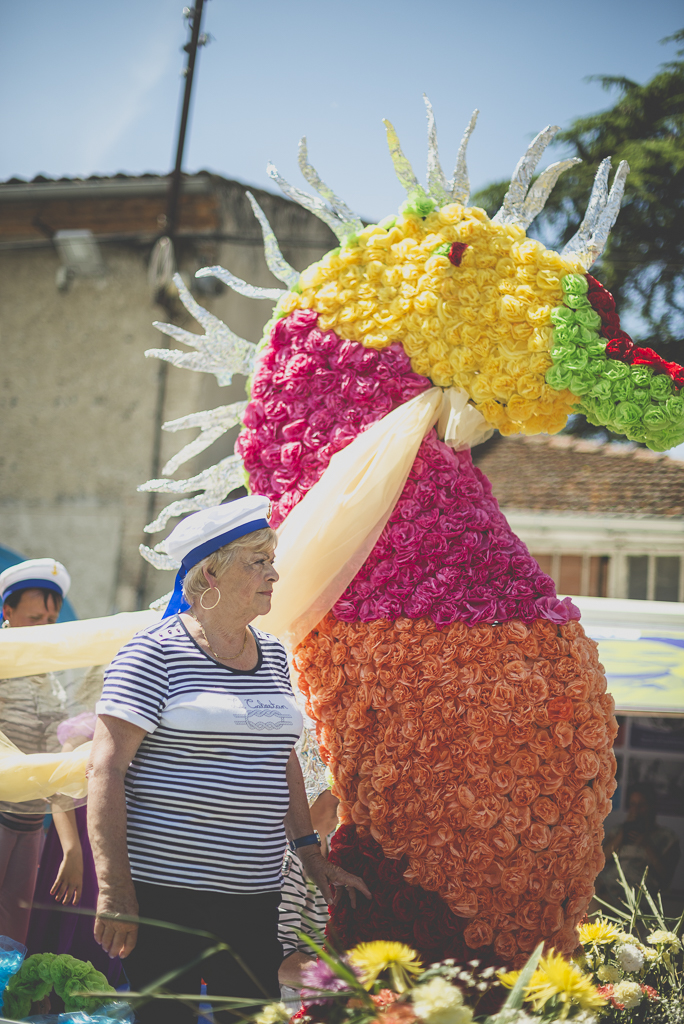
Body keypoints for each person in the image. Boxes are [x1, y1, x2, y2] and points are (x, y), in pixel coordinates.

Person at [87, 496, 370, 1024]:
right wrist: (114, 887)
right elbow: (106, 770)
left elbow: (279, 760)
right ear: (210, 574)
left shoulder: (273, 657)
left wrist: (309, 854)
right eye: (257, 561)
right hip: (163, 893)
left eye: (271, 560)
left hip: (253, 895)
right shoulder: (152, 653)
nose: (275, 573)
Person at [0, 558, 71, 944]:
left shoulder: (52, 681)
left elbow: (56, 759)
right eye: (34, 618)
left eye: (50, 621)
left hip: (31, 825)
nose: (44, 627)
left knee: (13, 938)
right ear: (7, 613)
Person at [27, 708, 123, 985]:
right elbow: (58, 793)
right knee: (69, 921)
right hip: (78, 842)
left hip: (115, 840)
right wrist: (72, 851)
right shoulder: (84, 728)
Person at [279, 787, 340, 1001]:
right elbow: (279, 962)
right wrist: (346, 986)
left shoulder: (340, 844)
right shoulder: (283, 854)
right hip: (294, 1001)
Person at [597, 782, 681, 904]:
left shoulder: (667, 837)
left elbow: (666, 878)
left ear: (652, 806)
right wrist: (623, 833)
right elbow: (600, 862)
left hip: (637, 892)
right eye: (632, 804)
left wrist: (647, 845)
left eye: (641, 805)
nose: (635, 810)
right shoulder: (618, 831)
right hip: (608, 884)